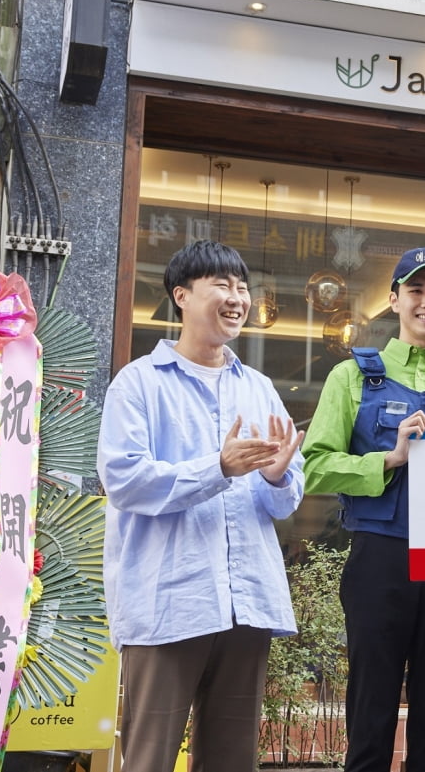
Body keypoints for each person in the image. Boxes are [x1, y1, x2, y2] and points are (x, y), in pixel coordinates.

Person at [97, 239, 305, 772]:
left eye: (242, 288)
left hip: (247, 604)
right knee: (149, 758)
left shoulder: (259, 389)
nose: (237, 298)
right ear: (182, 296)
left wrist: (278, 477)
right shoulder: (138, 383)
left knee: (234, 762)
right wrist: (218, 467)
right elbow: (125, 480)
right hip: (169, 602)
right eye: (222, 285)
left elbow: (282, 503)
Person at [301, 246, 425, 772]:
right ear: (394, 300)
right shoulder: (351, 378)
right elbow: (314, 466)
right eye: (416, 290)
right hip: (379, 561)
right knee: (369, 723)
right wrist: (388, 458)